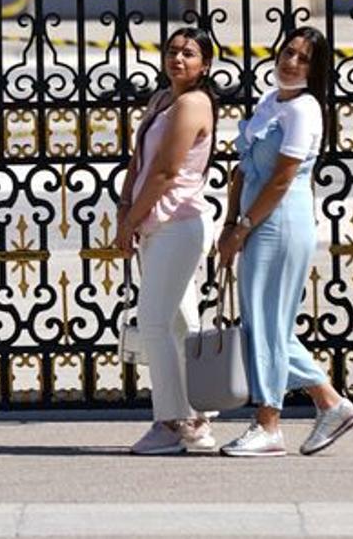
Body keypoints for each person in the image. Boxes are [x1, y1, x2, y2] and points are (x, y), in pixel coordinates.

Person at [216, 26, 353, 457]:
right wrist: (230, 222)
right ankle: (329, 402)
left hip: (279, 221)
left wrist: (242, 227)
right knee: (263, 324)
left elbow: (281, 179)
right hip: (253, 218)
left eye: (303, 58)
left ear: (316, 70)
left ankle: (269, 422)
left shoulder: (305, 109)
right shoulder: (270, 101)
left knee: (266, 323)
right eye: (287, 52)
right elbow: (242, 170)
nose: (291, 62)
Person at [115, 26, 219, 455]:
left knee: (154, 321)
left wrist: (129, 223)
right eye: (173, 51)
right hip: (155, 222)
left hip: (178, 223)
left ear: (205, 65)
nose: (178, 59)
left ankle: (169, 420)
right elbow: (139, 162)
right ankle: (195, 421)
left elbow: (165, 172)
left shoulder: (194, 103)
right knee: (179, 323)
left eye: (189, 53)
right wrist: (126, 206)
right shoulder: (161, 100)